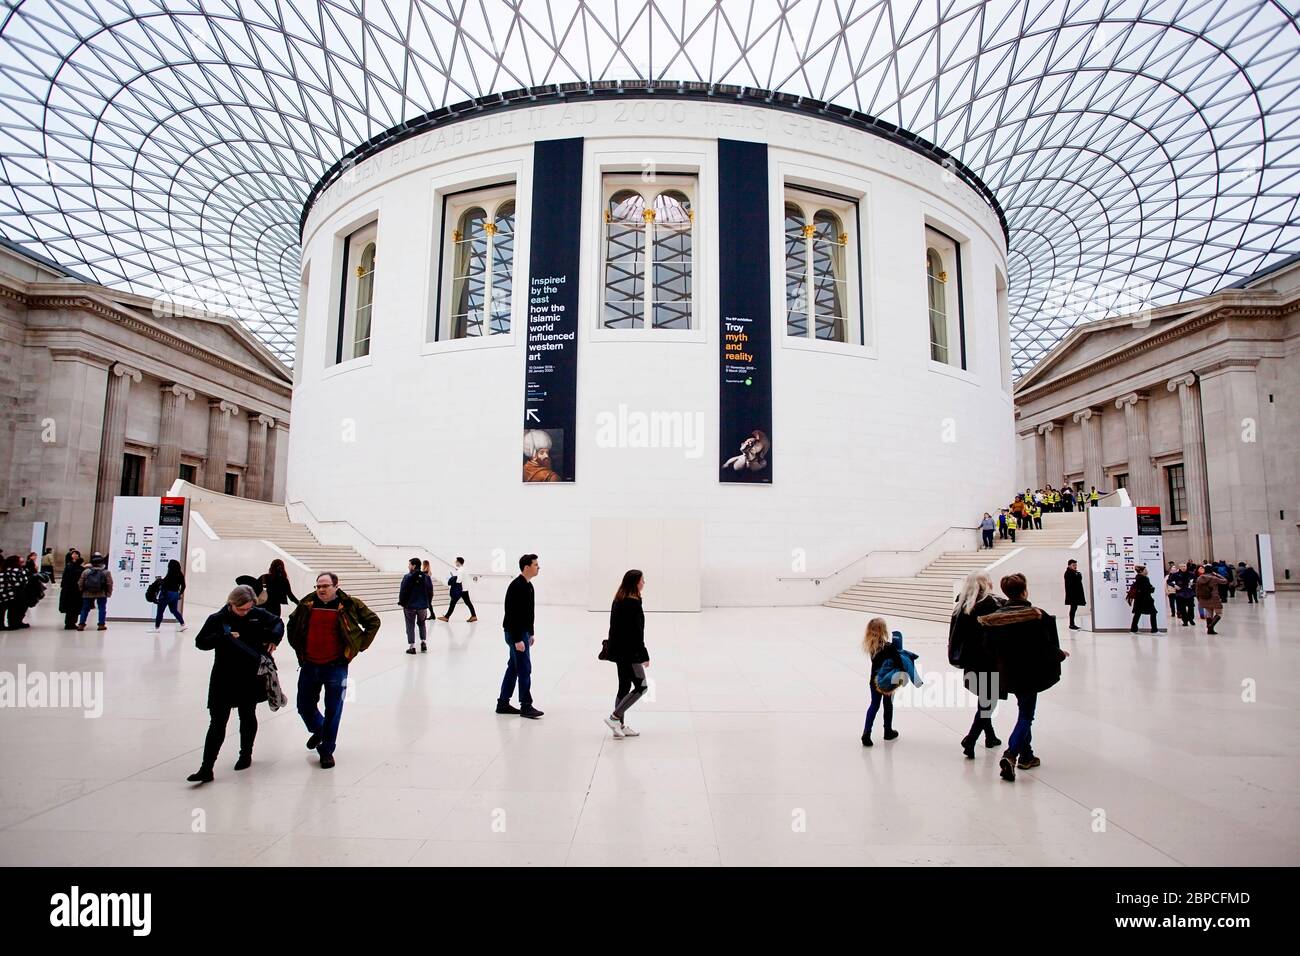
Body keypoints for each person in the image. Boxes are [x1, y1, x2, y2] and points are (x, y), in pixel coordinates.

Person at [186, 585, 284, 783]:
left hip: (250, 675)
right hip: (224, 676)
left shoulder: (257, 614)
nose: (245, 612)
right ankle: (207, 767)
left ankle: (245, 754)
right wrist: (224, 638)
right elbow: (201, 642)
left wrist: (274, 638)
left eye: (248, 609)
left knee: (247, 715)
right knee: (217, 722)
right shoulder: (217, 619)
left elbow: (278, 623)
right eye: (242, 609)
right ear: (231, 603)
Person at [979, 573, 1069, 781]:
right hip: (1030, 673)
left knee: (1023, 710)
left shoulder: (996, 619)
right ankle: (1011, 755)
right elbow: (1046, 647)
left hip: (1008, 673)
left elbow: (988, 648)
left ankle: (1026, 756)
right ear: (1024, 591)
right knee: (1027, 715)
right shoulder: (1036, 616)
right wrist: (1060, 655)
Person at [286, 572, 382, 768]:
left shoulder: (349, 605)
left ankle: (327, 749)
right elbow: (292, 623)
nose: (321, 589)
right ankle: (320, 730)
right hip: (309, 665)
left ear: (336, 586)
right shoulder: (307, 604)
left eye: (325, 586)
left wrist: (358, 646)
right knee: (304, 706)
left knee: (333, 708)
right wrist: (298, 647)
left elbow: (373, 622)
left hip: (336, 666)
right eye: (318, 586)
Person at [948, 571, 1003, 758]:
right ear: (984, 584)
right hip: (989, 660)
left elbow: (955, 637)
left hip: (971, 661)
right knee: (990, 701)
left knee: (985, 699)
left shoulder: (962, 606)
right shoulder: (991, 604)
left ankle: (990, 736)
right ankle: (971, 738)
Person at [603, 569, 649, 738]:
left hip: (618, 651)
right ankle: (615, 718)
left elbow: (614, 628)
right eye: (642, 580)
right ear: (635, 583)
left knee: (624, 687)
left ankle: (619, 726)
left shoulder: (619, 599)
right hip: (630, 652)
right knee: (642, 686)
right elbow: (636, 632)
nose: (644, 583)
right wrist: (643, 654)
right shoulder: (632, 603)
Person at [498, 554, 544, 718]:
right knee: (524, 668)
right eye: (536, 564)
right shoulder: (517, 586)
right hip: (514, 633)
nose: (538, 567)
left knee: (514, 668)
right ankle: (526, 705)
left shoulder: (528, 586)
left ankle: (503, 703)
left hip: (522, 632)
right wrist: (518, 638)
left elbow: (528, 613)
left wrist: (530, 632)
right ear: (526, 567)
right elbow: (512, 614)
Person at [860, 617, 918, 746]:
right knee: (888, 704)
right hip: (887, 682)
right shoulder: (889, 647)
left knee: (874, 705)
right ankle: (887, 731)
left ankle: (866, 733)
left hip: (874, 681)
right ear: (883, 630)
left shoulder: (871, 647)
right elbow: (899, 663)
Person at [397, 557, 433, 654]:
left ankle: (412, 646)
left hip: (410, 606)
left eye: (409, 564)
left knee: (410, 625)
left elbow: (403, 591)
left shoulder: (407, 577)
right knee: (422, 624)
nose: (408, 566)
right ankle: (423, 642)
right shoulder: (426, 577)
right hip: (422, 606)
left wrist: (402, 602)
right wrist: (428, 603)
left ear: (413, 566)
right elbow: (430, 592)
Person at [76, 552, 113, 631]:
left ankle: (81, 624)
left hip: (87, 592)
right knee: (102, 608)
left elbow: (80, 582)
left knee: (85, 609)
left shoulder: (86, 571)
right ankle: (101, 624)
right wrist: (108, 593)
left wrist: (81, 590)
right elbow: (109, 583)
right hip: (102, 593)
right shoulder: (106, 572)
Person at [439, 556, 478, 622]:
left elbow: (459, 580)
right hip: (464, 589)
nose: (455, 562)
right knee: (467, 603)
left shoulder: (460, 570)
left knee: (453, 603)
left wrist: (452, 580)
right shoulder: (463, 569)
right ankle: (474, 616)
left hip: (460, 589)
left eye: (456, 561)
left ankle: (446, 617)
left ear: (458, 562)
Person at [152, 558, 187, 631]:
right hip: (175, 594)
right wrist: (180, 593)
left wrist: (159, 581)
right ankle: (182, 624)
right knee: (174, 610)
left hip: (166, 594)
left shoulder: (170, 574)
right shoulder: (180, 574)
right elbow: (183, 585)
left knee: (160, 611)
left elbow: (165, 584)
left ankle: (156, 627)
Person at [1195, 565, 1226, 635]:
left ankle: (1210, 630)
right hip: (1214, 598)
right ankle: (1210, 626)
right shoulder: (1214, 578)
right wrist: (1217, 574)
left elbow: (1197, 589)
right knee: (1219, 613)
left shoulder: (1199, 578)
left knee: (1209, 614)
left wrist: (1198, 598)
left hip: (1204, 597)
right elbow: (1225, 581)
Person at [1127, 564, 1158, 634]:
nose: (1147, 571)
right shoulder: (1144, 578)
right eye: (1145, 570)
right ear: (1141, 571)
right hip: (1146, 599)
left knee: (1137, 613)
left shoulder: (1137, 578)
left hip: (1138, 599)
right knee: (1153, 613)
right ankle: (1154, 630)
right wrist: (1152, 589)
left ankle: (1133, 629)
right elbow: (1147, 589)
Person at [58, 549, 84, 630]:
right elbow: (65, 578)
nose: (75, 555)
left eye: (76, 554)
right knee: (71, 608)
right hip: (70, 590)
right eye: (73, 554)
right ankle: (69, 623)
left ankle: (72, 623)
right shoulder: (70, 566)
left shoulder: (79, 567)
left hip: (76, 590)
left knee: (75, 608)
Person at [0, 556, 23, 630]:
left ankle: (1, 625)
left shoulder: (3, 570)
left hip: (2, 593)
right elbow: (21, 582)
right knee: (12, 611)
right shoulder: (17, 570)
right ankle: (12, 624)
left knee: (1, 610)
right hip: (12, 594)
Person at [1064, 558, 1086, 630]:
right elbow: (1076, 580)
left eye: (1076, 565)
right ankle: (1071, 624)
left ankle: (1072, 624)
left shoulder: (1073, 572)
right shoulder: (1068, 573)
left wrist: (1078, 574)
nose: (1075, 566)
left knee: (1073, 609)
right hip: (1072, 595)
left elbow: (1078, 579)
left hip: (1074, 595)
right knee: (1073, 609)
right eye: (1073, 565)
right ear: (1069, 565)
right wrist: (1078, 574)